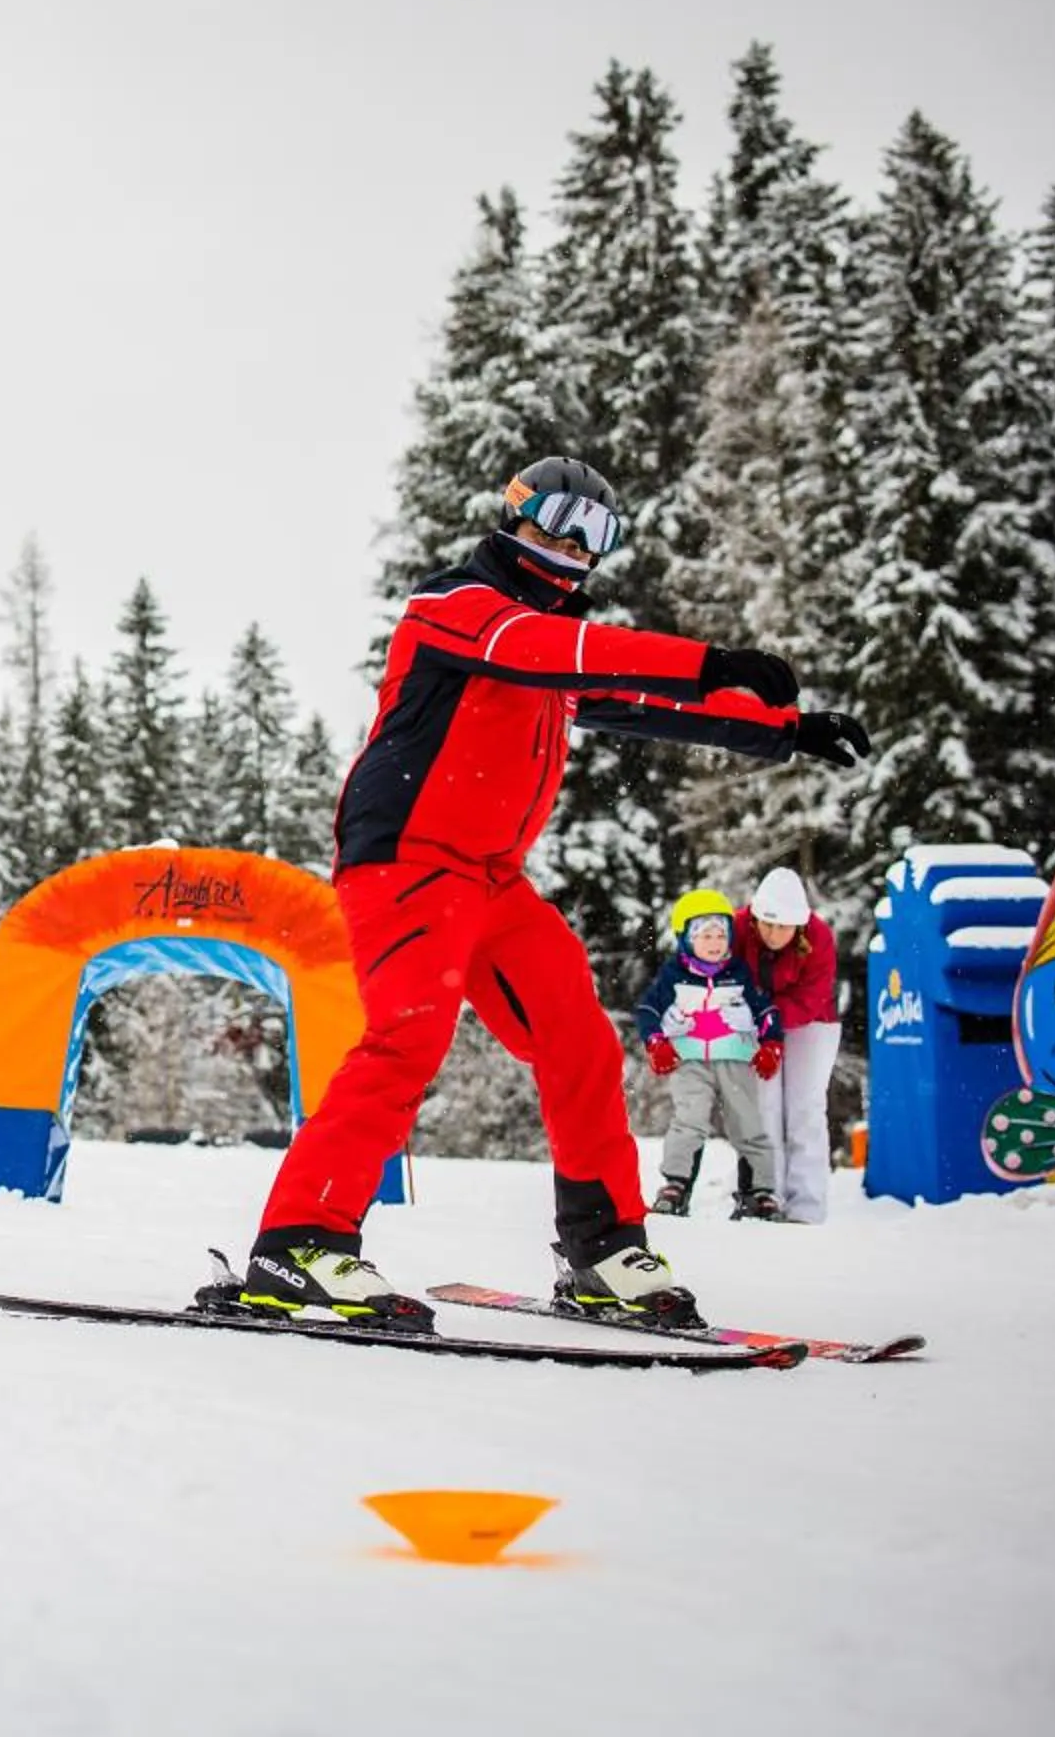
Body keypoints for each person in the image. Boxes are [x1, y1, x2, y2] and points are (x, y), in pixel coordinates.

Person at [232, 457, 870, 1331]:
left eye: (597, 534)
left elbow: (646, 703)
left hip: (494, 881)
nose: (575, 546)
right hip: (407, 862)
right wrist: (711, 658)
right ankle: (299, 1244)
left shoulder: (551, 648)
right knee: (408, 1039)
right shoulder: (457, 609)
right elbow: (550, 651)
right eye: (561, 522)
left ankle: (604, 1251)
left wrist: (787, 730)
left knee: (580, 1042)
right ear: (514, 518)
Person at [638, 888, 784, 1221]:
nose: (716, 942)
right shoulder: (672, 976)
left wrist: (771, 1043)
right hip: (689, 1060)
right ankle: (676, 1185)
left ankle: (758, 1191)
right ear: (686, 938)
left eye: (722, 934)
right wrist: (656, 1041)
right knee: (689, 1120)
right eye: (705, 934)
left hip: (735, 1058)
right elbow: (646, 1010)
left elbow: (766, 1010)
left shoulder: (740, 973)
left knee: (747, 1121)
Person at [735, 866, 841, 1223]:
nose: (773, 933)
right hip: (754, 1021)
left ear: (799, 926)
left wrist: (770, 1020)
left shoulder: (820, 938)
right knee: (763, 1107)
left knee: (805, 1109)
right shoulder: (738, 929)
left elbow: (813, 995)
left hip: (810, 1023)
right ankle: (767, 1197)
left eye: (782, 927)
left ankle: (807, 1208)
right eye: (766, 924)